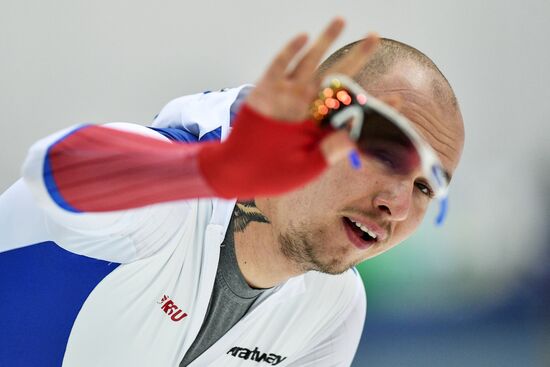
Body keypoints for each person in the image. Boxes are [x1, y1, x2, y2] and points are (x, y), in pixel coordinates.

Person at [0, 18, 464, 367]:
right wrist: (215, 171)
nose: (398, 206)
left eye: (425, 186)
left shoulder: (331, 309)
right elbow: (52, 169)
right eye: (387, 155)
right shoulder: (170, 197)